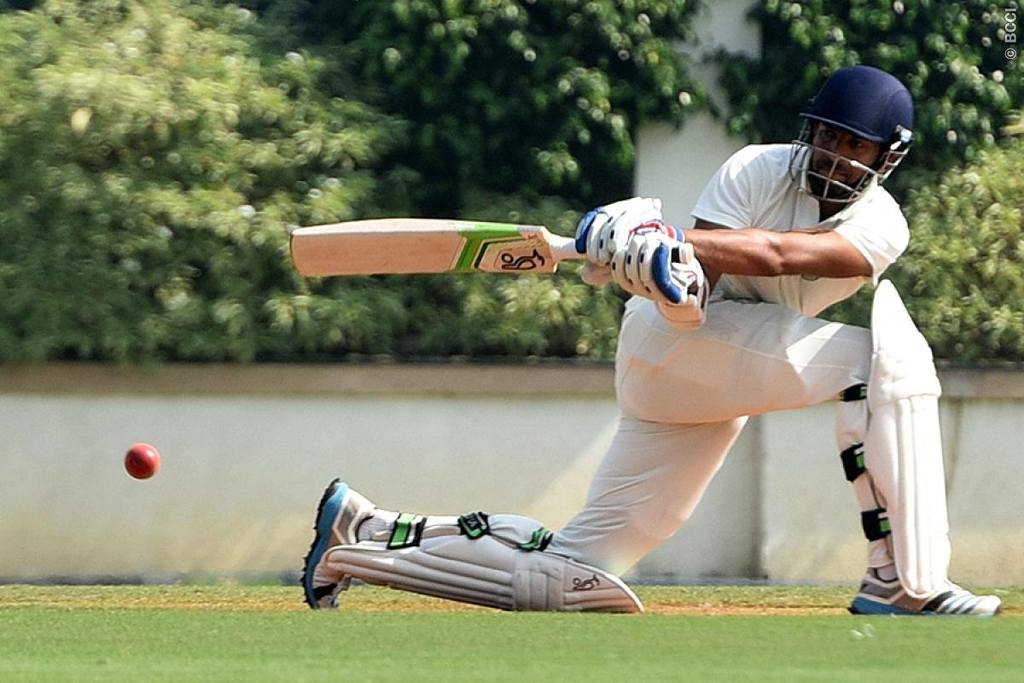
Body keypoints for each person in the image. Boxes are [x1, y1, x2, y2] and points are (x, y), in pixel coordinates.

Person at [301, 65, 1001, 616]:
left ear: (887, 156)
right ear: (809, 131)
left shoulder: (882, 224)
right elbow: (697, 293)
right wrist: (661, 269)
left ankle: (362, 533)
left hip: (718, 380)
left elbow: (783, 255)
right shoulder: (756, 168)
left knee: (573, 572)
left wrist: (664, 237)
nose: (836, 155)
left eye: (855, 146)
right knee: (879, 361)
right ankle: (903, 581)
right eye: (828, 136)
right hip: (676, 345)